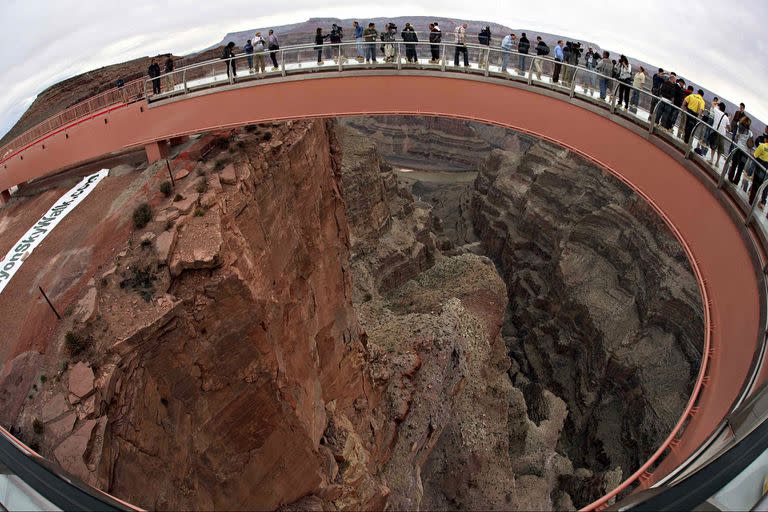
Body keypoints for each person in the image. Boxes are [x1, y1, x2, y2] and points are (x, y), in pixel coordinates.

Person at [728, 116, 753, 187]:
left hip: (738, 150)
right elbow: (750, 144)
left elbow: (736, 138)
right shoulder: (751, 133)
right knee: (740, 168)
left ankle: (730, 177)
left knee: (734, 164)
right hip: (745, 153)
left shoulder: (740, 129)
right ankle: (736, 181)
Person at [708, 102, 729, 167]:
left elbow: (713, 104)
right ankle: (717, 162)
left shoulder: (716, 111)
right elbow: (729, 127)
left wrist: (717, 102)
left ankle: (711, 160)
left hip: (715, 132)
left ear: (719, 107)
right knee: (720, 148)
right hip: (722, 134)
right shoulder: (726, 117)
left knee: (713, 146)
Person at [750, 139, 768, 206]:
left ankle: (752, 201)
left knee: (755, 184)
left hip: (760, 167)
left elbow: (755, 155)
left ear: (766, 139)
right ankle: (760, 201)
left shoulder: (762, 146)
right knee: (762, 187)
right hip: (766, 170)